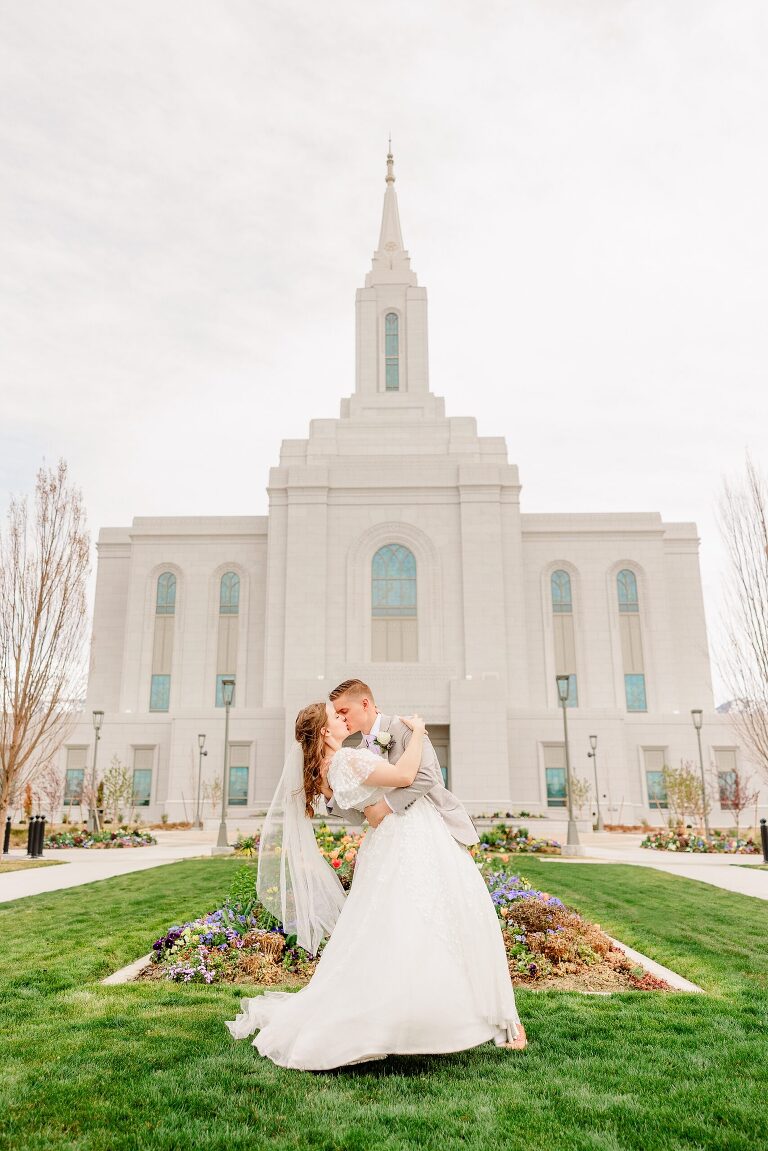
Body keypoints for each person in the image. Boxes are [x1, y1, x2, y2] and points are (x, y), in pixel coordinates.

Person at [224, 699, 526, 1070]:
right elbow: (404, 776)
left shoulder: (324, 771)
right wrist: (418, 731)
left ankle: (405, 1010)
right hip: (406, 837)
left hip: (384, 843)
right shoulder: (348, 760)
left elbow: (362, 806)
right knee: (423, 919)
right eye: (336, 717)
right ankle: (420, 1014)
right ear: (324, 731)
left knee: (385, 927)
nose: (342, 718)